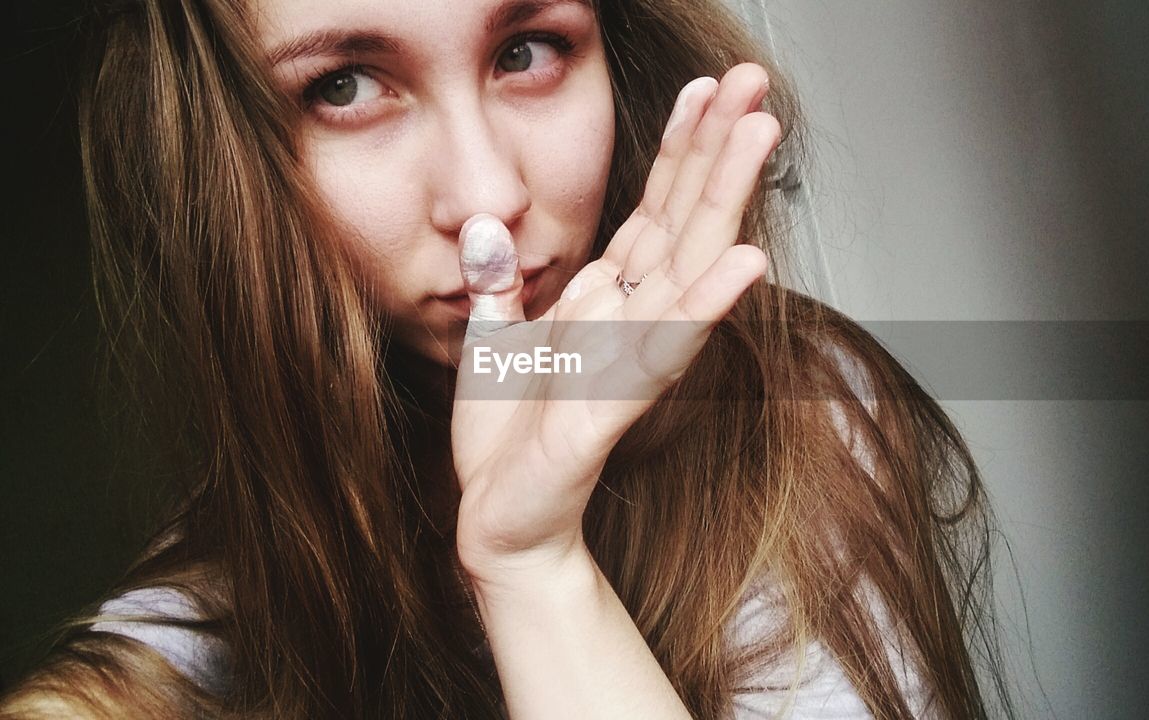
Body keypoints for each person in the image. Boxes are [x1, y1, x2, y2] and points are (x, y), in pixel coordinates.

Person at [0, 0, 1012, 717]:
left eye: (527, 49)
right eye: (344, 86)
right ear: (228, 159)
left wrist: (530, 566)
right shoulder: (258, 528)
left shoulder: (798, 421)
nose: (487, 198)